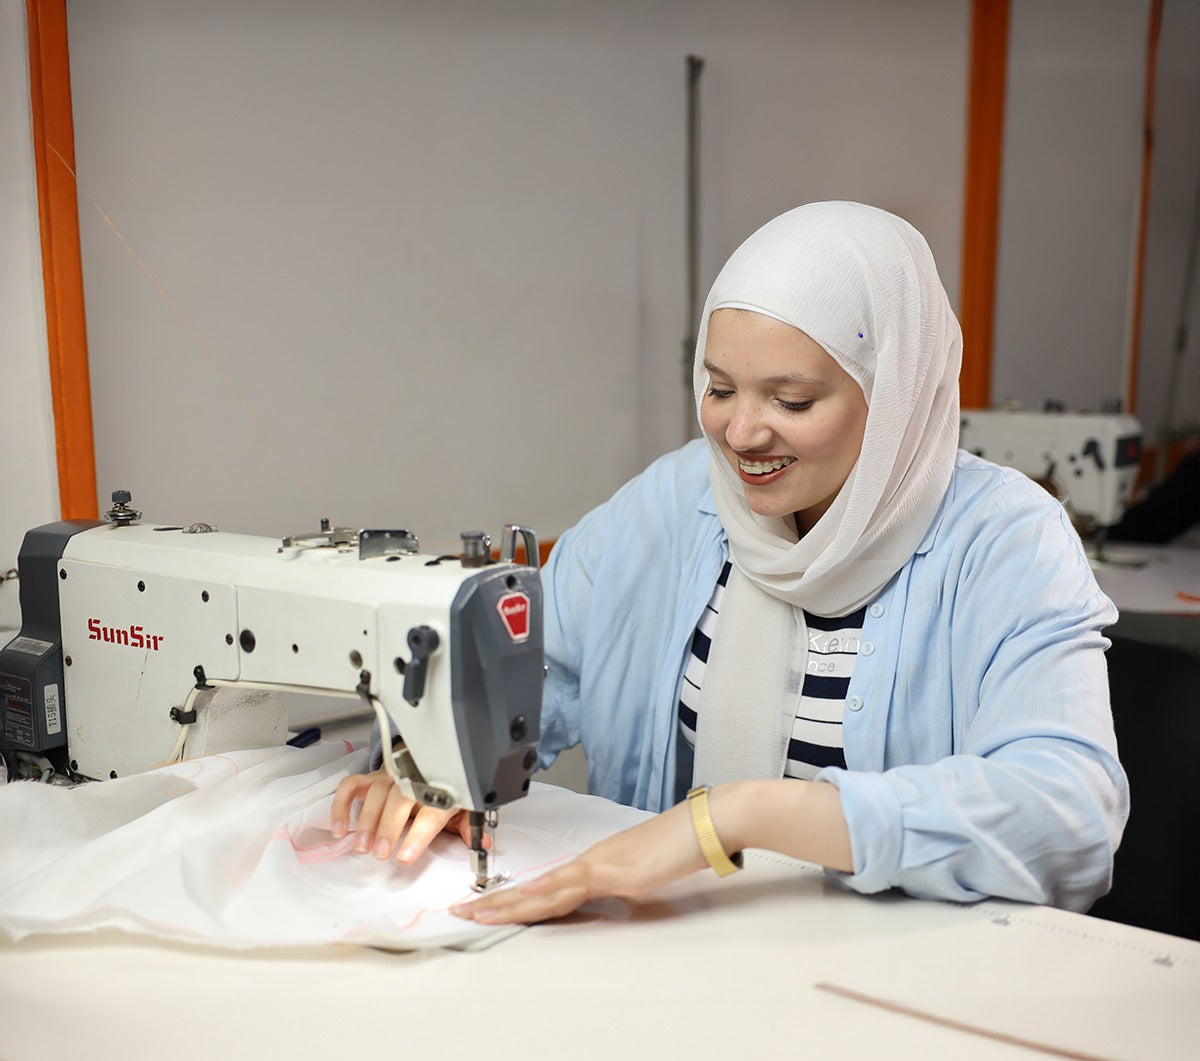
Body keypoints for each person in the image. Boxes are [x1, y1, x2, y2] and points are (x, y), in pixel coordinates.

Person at [333, 201, 1129, 927]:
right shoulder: (673, 505)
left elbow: (1068, 818)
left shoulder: (1004, 543)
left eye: (792, 401)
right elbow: (530, 674)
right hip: (679, 951)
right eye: (719, 389)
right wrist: (428, 762)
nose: (741, 434)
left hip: (892, 979)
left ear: (895, 395)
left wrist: (735, 818)